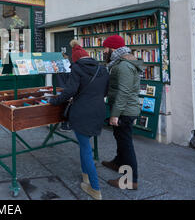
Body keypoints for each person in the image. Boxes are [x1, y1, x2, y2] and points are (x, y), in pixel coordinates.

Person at [49, 40, 109, 200]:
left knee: (85, 149)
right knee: (85, 145)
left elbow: (69, 91)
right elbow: (105, 92)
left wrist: (54, 101)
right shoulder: (102, 69)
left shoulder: (76, 69)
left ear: (75, 59)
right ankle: (85, 176)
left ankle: (95, 189)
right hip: (98, 111)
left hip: (82, 112)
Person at [101, 35, 143, 190]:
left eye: (105, 48)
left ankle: (131, 180)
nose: (104, 51)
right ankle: (118, 162)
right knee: (120, 138)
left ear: (113, 49)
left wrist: (115, 114)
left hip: (124, 111)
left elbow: (123, 92)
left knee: (126, 143)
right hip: (123, 109)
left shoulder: (123, 66)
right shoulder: (119, 63)